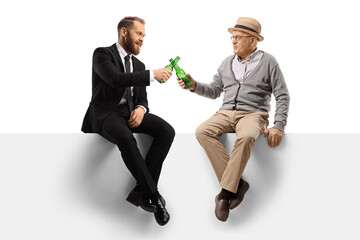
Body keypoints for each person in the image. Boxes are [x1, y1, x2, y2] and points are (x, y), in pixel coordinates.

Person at [178, 17, 290, 222]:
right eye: (232, 37)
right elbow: (214, 91)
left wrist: (278, 125)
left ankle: (224, 194)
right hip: (225, 112)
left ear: (253, 40)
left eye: (238, 37)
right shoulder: (226, 62)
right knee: (202, 131)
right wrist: (194, 85)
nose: (233, 41)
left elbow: (282, 95)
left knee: (247, 136)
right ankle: (237, 185)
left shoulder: (269, 62)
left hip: (254, 113)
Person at [81, 16, 175, 226]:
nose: (142, 39)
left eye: (144, 35)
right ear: (124, 32)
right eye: (138, 33)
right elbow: (115, 79)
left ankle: (140, 192)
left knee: (166, 131)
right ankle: (154, 195)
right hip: (106, 113)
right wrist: (151, 75)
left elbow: (142, 99)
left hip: (129, 113)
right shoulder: (102, 54)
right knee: (125, 137)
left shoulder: (139, 64)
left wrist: (141, 109)